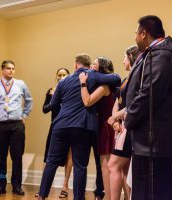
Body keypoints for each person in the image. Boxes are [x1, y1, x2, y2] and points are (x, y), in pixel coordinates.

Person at [38, 54, 120, 200]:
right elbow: (116, 78)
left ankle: (42, 196)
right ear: (89, 65)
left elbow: (54, 104)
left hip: (60, 125)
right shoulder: (93, 75)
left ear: (75, 65)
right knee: (80, 165)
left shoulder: (63, 82)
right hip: (82, 126)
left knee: (51, 162)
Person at [125, 15, 172, 200]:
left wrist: (129, 120)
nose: (135, 38)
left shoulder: (162, 55)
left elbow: (149, 94)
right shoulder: (156, 54)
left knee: (154, 191)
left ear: (144, 34)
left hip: (154, 140)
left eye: (136, 33)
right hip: (150, 138)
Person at [0, 60, 32, 196]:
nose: (11, 71)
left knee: (17, 157)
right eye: (8, 68)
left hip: (16, 125)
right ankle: (0, 186)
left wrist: (24, 115)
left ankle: (16, 186)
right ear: (2, 70)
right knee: (0, 157)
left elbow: (29, 100)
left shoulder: (21, 84)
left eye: (13, 68)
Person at [79, 57, 115, 200]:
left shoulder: (104, 87)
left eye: (94, 64)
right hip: (103, 126)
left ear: (101, 69)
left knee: (105, 165)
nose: (91, 67)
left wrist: (82, 83)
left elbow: (87, 101)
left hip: (106, 127)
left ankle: (109, 197)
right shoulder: (103, 84)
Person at [107, 45, 139, 200]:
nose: (122, 60)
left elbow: (133, 105)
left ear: (132, 57)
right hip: (121, 128)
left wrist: (114, 118)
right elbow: (117, 102)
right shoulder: (126, 79)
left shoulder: (137, 77)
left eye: (125, 57)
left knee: (113, 165)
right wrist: (115, 120)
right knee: (125, 168)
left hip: (129, 128)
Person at [37, 67, 72, 198]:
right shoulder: (51, 91)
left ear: (69, 76)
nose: (61, 77)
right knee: (48, 157)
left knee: (69, 156)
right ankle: (44, 188)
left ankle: (65, 187)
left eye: (64, 75)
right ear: (56, 76)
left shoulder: (72, 90)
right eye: (59, 75)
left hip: (69, 125)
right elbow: (45, 109)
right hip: (55, 126)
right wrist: (54, 98)